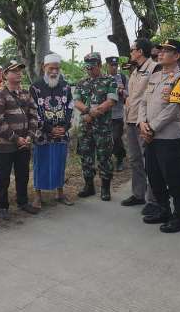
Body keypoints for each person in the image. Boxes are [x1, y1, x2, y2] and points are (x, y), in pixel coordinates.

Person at [139, 40, 180, 233]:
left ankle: (179, 218)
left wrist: (151, 128)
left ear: (176, 56)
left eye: (166, 51)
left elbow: (173, 110)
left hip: (168, 138)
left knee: (173, 179)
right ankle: (163, 210)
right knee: (154, 177)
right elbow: (143, 102)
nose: (160, 54)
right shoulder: (154, 76)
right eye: (159, 50)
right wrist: (142, 123)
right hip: (150, 136)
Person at [0, 61, 41, 219]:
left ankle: (22, 202)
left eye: (20, 71)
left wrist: (29, 136)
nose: (19, 73)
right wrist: (16, 138)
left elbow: (34, 114)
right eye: (15, 71)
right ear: (5, 75)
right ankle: (2, 207)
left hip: (24, 143)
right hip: (5, 144)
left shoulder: (26, 93)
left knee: (23, 174)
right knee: (3, 176)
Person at [30, 52, 74, 206]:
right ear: (44, 67)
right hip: (43, 134)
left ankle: (60, 193)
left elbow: (70, 107)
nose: (54, 71)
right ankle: (38, 196)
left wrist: (65, 126)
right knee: (40, 163)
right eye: (51, 68)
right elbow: (34, 111)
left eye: (57, 68)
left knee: (59, 163)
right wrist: (49, 129)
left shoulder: (66, 86)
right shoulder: (35, 87)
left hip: (62, 133)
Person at [73, 52, 118, 201]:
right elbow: (77, 102)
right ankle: (89, 186)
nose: (89, 70)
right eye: (87, 68)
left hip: (102, 127)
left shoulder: (109, 80)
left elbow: (111, 101)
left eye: (92, 67)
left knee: (104, 157)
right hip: (85, 127)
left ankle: (105, 188)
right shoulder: (81, 82)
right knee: (86, 156)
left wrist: (92, 113)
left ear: (99, 65)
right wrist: (86, 111)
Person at [121, 39, 158, 209]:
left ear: (140, 51)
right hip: (130, 119)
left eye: (132, 50)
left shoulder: (154, 68)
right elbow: (133, 96)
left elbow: (152, 98)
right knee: (135, 159)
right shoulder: (135, 71)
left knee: (149, 161)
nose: (130, 52)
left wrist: (145, 120)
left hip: (143, 121)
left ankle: (154, 199)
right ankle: (138, 194)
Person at [106, 56, 128, 171]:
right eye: (111, 65)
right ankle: (107, 161)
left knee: (116, 138)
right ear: (107, 66)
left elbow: (128, 95)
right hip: (104, 114)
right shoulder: (103, 78)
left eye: (116, 65)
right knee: (106, 139)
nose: (114, 67)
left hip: (117, 114)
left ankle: (120, 158)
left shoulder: (123, 78)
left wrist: (121, 91)